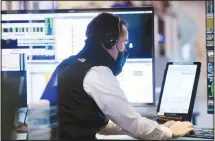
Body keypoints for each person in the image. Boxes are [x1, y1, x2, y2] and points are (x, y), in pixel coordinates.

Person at [42, 13, 194, 140]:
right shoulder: (97, 72)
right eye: (124, 43)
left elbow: (88, 121)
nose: (124, 50)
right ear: (110, 42)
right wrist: (170, 132)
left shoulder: (68, 64)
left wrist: (157, 127)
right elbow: (134, 124)